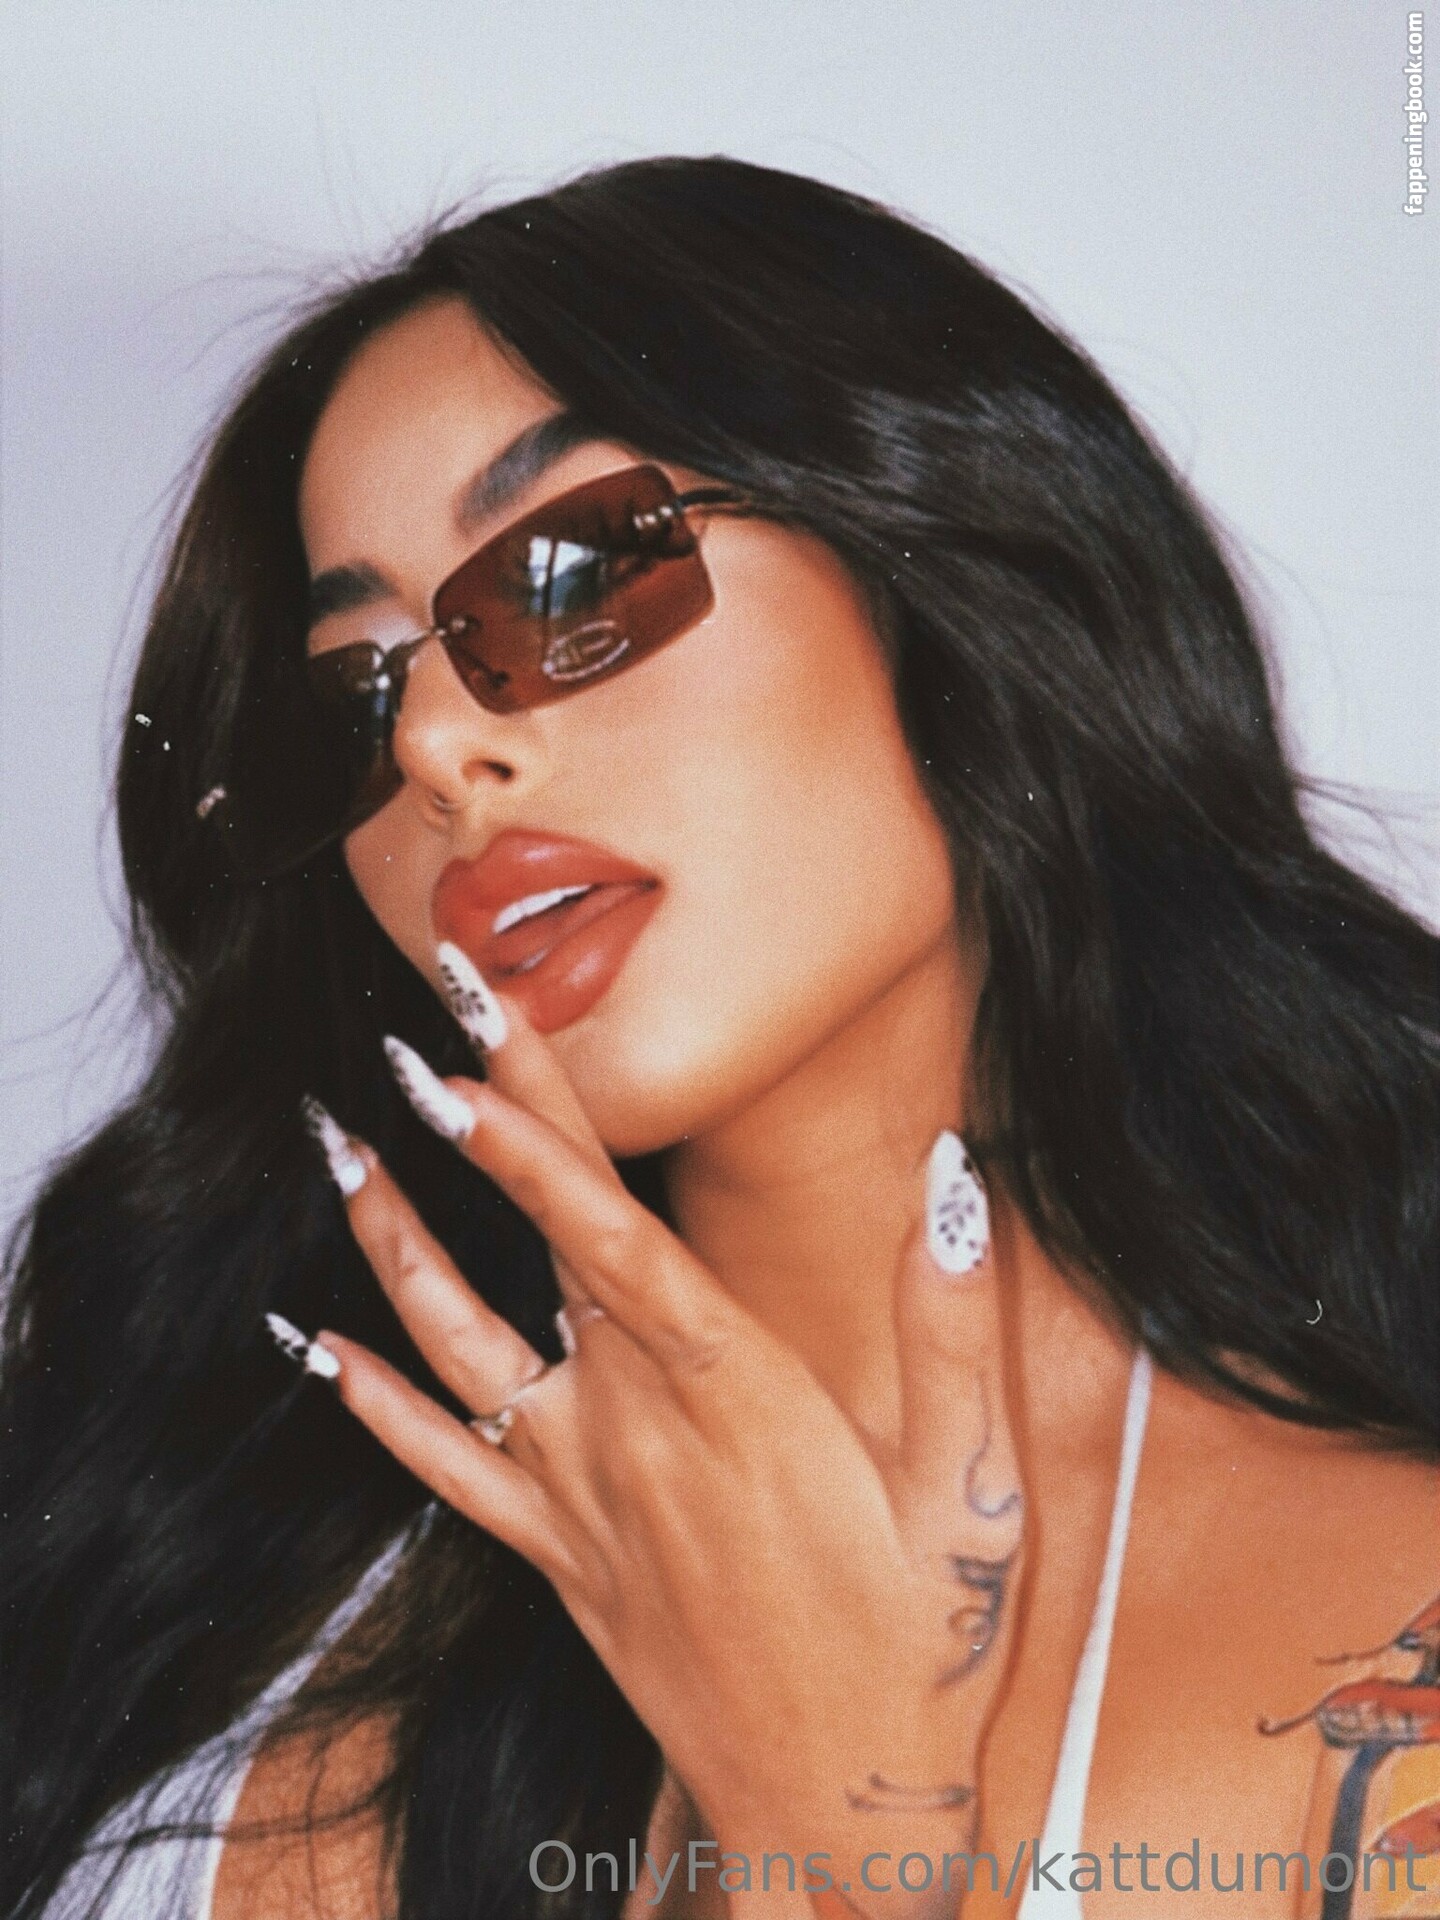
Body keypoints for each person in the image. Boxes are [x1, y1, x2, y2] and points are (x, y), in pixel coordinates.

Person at [2, 155, 1435, 1920]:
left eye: (571, 572)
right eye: (355, 695)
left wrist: (843, 1844)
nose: (437, 746)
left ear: (938, 563)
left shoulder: (1389, 1647)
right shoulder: (191, 1519)